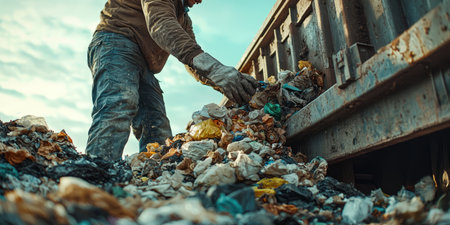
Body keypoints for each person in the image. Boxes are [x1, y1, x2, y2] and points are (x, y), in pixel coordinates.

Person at [86, 0, 258, 161]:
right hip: (115, 44)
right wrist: (215, 68)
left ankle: (153, 180)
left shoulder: (182, 17)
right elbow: (160, 24)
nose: (201, 1)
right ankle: (95, 173)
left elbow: (192, 59)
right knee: (119, 104)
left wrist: (225, 80)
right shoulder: (166, 10)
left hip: (142, 62)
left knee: (156, 125)